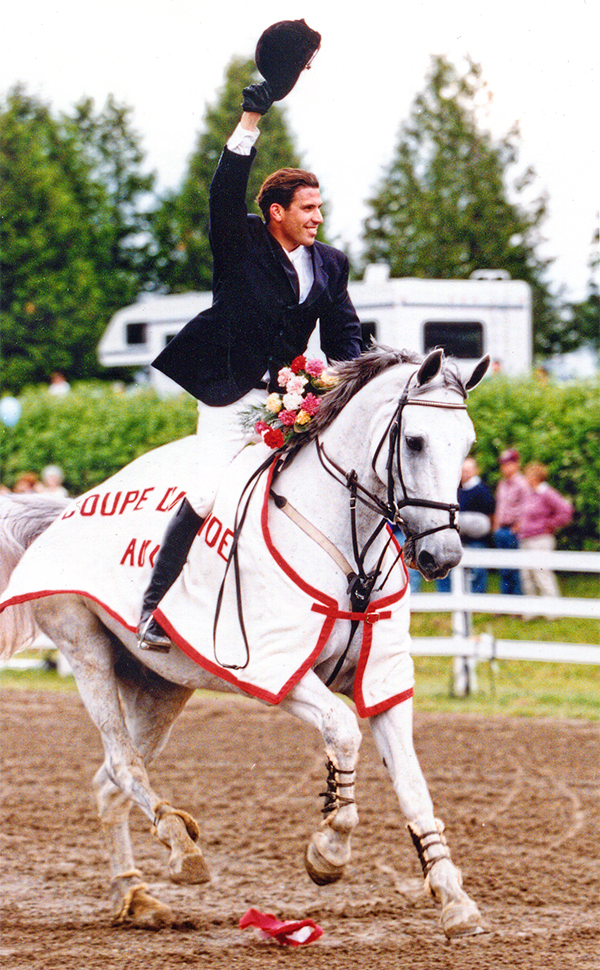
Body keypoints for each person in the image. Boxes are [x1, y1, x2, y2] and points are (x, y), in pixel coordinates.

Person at [137, 21, 362, 651]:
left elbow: (344, 337)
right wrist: (249, 121)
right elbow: (222, 192)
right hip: (232, 393)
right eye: (308, 210)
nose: (318, 219)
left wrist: (367, 378)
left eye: (321, 209)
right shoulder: (240, 244)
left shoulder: (331, 264)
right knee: (211, 494)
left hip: (294, 395)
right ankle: (153, 609)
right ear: (277, 214)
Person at [517, 462, 573, 606]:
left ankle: (552, 608)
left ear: (536, 477)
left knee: (542, 573)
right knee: (527, 575)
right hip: (526, 538)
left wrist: (548, 524)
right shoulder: (530, 493)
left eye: (528, 475)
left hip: (540, 539)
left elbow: (566, 511)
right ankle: (532, 609)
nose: (526, 478)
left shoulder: (546, 493)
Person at [436, 456, 495, 593]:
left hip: (477, 538)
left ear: (476, 471)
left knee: (477, 568)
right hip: (458, 537)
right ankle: (448, 595)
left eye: (469, 470)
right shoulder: (456, 489)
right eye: (463, 470)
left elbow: (491, 513)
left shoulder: (482, 490)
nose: (465, 473)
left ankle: (477, 596)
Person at [492, 449, 529, 595]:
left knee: (515, 568)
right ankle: (505, 601)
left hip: (513, 530)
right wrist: (495, 526)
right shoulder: (502, 484)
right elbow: (499, 506)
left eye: (509, 464)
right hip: (501, 530)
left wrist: (518, 526)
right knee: (504, 568)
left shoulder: (522, 483)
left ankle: (517, 603)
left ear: (517, 464)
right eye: (503, 465)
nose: (506, 468)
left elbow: (526, 507)